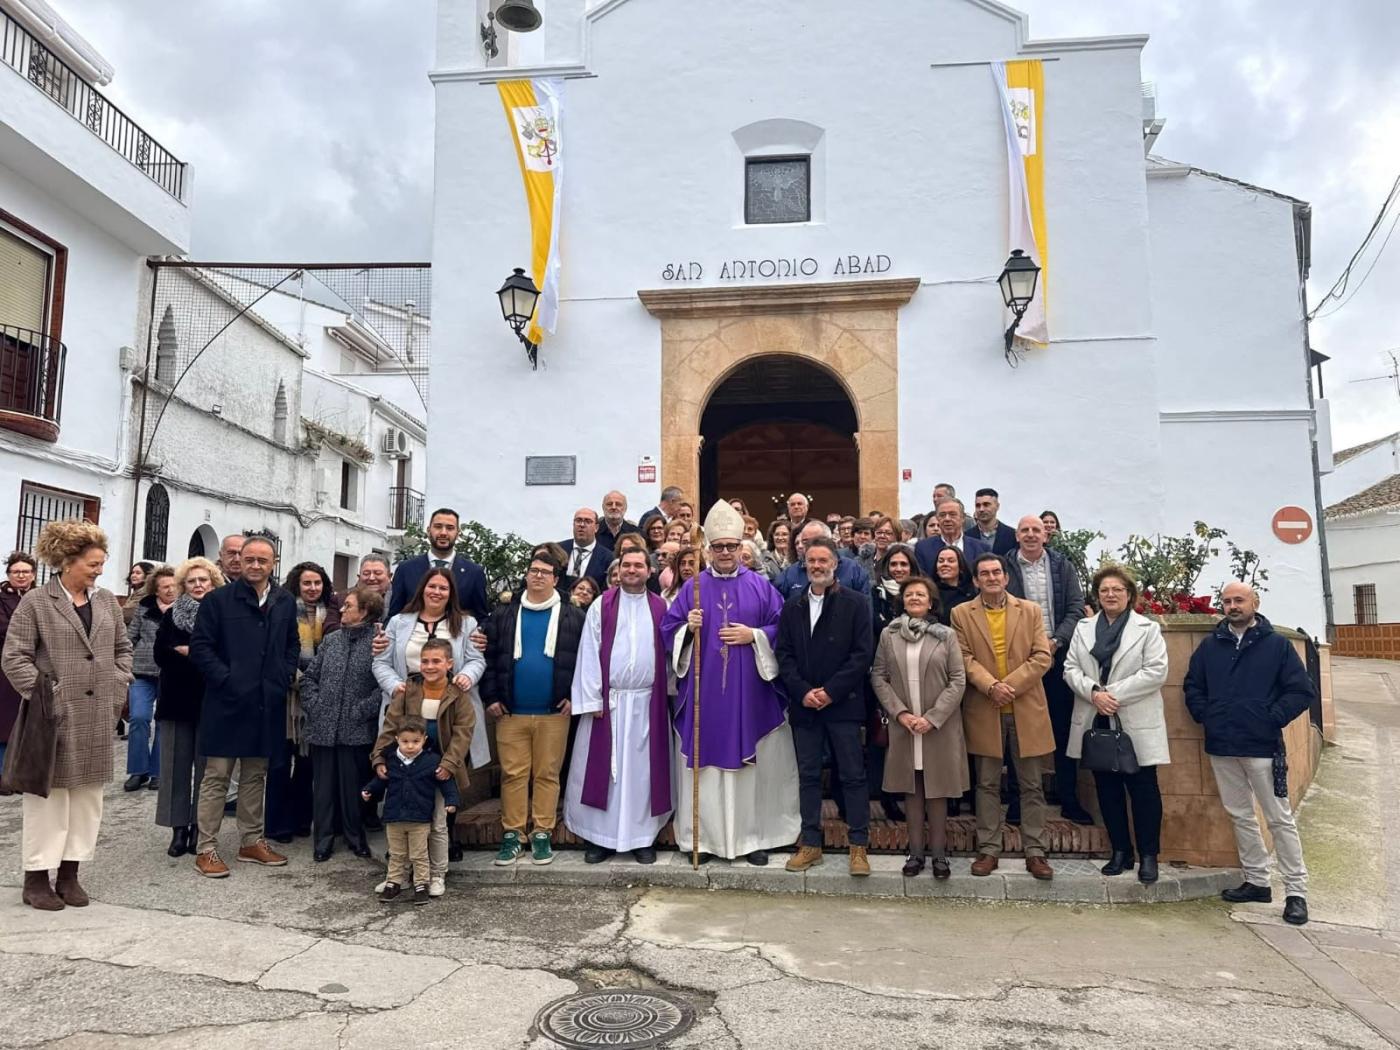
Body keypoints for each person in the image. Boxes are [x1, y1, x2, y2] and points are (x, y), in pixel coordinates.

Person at [2, 520, 133, 910]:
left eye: (101, 563)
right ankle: (37, 878)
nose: (99, 570)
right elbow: (14, 657)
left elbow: (123, 648)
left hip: (97, 715)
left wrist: (118, 682)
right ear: (67, 561)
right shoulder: (37, 602)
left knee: (88, 797)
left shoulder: (107, 600)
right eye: (93, 564)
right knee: (49, 798)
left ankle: (71, 874)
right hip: (53, 716)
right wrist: (48, 696)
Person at [661, 501, 797, 865]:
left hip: (748, 696)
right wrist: (685, 630)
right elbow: (668, 631)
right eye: (718, 547)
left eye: (731, 546)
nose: (725, 553)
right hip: (705, 697)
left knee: (751, 767)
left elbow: (782, 631)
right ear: (708, 550)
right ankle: (701, 840)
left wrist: (753, 635)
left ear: (742, 548)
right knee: (705, 768)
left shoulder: (762, 588)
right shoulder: (692, 588)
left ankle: (750, 840)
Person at [1185, 582, 1315, 926]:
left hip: (1262, 747)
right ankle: (1257, 880)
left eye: (1239, 600)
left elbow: (1301, 690)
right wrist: (1206, 714)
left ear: (1254, 602)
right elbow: (1193, 686)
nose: (1232, 605)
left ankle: (1296, 892)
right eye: (1226, 601)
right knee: (1240, 815)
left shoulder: (1277, 646)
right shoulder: (1210, 646)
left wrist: (1269, 718)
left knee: (1279, 818)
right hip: (1222, 746)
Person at [188, 535, 300, 878]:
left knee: (255, 776)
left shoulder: (283, 601)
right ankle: (206, 848)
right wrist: (228, 680)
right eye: (248, 559)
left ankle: (251, 841)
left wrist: (281, 677)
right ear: (238, 561)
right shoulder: (218, 601)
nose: (254, 565)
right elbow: (201, 648)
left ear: (273, 563)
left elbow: (291, 645)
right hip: (226, 703)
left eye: (261, 560)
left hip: (266, 704)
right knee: (217, 776)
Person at [374, 566, 489, 871]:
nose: (436, 592)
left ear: (451, 593)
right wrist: (394, 686)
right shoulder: (398, 622)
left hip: (448, 710)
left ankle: (446, 838)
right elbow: (381, 662)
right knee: (404, 776)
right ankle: (403, 845)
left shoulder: (466, 623)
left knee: (444, 773)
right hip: (408, 709)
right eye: (432, 587)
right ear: (422, 589)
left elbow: (477, 659)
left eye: (443, 588)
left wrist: (465, 676)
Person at [564, 548, 674, 864]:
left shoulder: (660, 606)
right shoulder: (603, 605)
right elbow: (589, 650)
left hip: (646, 704)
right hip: (608, 703)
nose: (632, 570)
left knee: (642, 775)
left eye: (639, 565)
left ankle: (642, 838)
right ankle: (601, 839)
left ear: (649, 571)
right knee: (604, 773)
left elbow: (669, 652)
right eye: (626, 565)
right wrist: (592, 698)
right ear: (618, 570)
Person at [952, 553, 1055, 881]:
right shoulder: (960, 614)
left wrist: (1006, 686)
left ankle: (1035, 851)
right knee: (986, 784)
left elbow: (1041, 656)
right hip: (985, 707)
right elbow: (963, 658)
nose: (992, 578)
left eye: (997, 572)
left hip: (1025, 709)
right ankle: (988, 848)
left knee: (1031, 785)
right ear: (976, 580)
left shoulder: (1031, 611)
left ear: (1006, 577)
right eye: (985, 573)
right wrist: (990, 686)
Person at [1063, 565, 1169, 882]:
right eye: (1105, 590)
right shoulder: (1083, 628)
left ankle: (1148, 856)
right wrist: (1094, 693)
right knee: (1107, 790)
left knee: (1144, 790)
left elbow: (1155, 672)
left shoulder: (1147, 629)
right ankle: (1120, 851)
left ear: (1129, 595)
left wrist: (1111, 694)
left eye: (1117, 590)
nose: (1110, 595)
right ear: (1097, 595)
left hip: (1133, 717)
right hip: (1096, 717)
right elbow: (1070, 669)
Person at [777, 537, 875, 876]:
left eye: (823, 561)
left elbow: (862, 654)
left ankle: (858, 847)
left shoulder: (856, 603)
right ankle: (810, 844)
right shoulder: (792, 605)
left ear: (836, 565)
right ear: (804, 565)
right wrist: (803, 691)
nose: (817, 566)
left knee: (852, 776)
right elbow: (784, 655)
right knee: (807, 776)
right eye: (811, 561)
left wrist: (830, 691)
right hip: (805, 705)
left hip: (842, 704)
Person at [482, 554, 585, 866]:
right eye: (534, 571)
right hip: (511, 711)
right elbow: (488, 657)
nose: (539, 576)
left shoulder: (572, 615)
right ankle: (513, 834)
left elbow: (584, 661)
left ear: (556, 579)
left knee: (547, 773)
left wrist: (574, 696)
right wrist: (490, 698)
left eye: (546, 572)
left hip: (554, 712)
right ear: (526, 576)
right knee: (513, 774)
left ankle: (542, 832)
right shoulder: (504, 612)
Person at [870, 576, 968, 879]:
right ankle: (915, 854)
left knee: (937, 790)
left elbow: (958, 679)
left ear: (930, 601)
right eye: (909, 594)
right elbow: (879, 677)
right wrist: (901, 714)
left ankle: (939, 856)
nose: (914, 598)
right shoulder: (890, 634)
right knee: (911, 789)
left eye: (920, 594)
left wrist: (933, 717)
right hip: (905, 726)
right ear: (903, 600)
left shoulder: (946, 635)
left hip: (938, 726)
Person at [373, 636, 478, 894]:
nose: (430, 666)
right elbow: (391, 727)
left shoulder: (457, 695)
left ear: (449, 663)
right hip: (407, 768)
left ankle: (437, 874)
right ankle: (402, 874)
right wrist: (379, 757)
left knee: (437, 824)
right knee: (403, 823)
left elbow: (463, 732)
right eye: (425, 661)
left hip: (439, 770)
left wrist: (450, 763)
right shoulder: (408, 691)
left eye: (436, 661)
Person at [1004, 516, 1089, 824]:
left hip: (1058, 657)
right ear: (1016, 535)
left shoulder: (1062, 566)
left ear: (1046, 535)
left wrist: (1056, 641)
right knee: (1018, 730)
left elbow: (1076, 607)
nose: (1030, 535)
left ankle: (1068, 798)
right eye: (1024, 530)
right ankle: (1018, 801)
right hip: (1019, 661)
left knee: (1063, 728)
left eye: (1036, 530)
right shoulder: (1005, 566)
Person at [301, 585, 384, 863]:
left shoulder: (378, 642)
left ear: (365, 611)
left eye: (348, 605)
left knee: (354, 789)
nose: (343, 610)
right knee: (322, 788)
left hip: (356, 728)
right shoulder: (331, 640)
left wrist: (361, 711)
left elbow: (382, 686)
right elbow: (309, 677)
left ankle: (355, 837)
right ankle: (322, 840)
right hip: (323, 727)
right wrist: (314, 704)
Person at [264, 561, 340, 845]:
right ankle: (277, 824)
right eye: (307, 583)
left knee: (308, 764)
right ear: (297, 584)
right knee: (280, 763)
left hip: (316, 698)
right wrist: (297, 678)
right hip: (286, 696)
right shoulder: (281, 609)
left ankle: (301, 819)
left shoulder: (331, 614)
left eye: (317, 583)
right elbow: (276, 649)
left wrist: (314, 684)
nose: (312, 588)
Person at [152, 556, 224, 858]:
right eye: (192, 581)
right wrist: (199, 655)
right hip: (175, 700)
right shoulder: (172, 615)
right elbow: (160, 654)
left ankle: (199, 828)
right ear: (184, 585)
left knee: (206, 772)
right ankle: (178, 829)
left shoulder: (223, 615)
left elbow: (225, 657)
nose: (197, 585)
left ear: (213, 583)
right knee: (173, 768)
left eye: (202, 580)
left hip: (210, 701)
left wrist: (191, 652)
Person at [362, 717, 460, 906]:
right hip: (395, 816)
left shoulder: (431, 761)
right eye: (405, 741)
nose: (410, 746)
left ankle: (422, 884)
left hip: (419, 818)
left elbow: (446, 783)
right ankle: (395, 881)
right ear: (397, 739)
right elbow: (381, 780)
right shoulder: (391, 760)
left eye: (415, 742)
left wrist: (452, 801)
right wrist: (369, 790)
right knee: (396, 853)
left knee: (419, 854)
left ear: (424, 739)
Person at [123, 565, 176, 792]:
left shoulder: (185, 609)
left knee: (164, 723)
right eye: (165, 587)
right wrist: (126, 662)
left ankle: (158, 772)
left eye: (174, 586)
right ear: (156, 589)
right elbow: (129, 638)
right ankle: (138, 771)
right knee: (139, 718)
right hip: (141, 672)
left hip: (172, 673)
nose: (171, 590)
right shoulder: (144, 608)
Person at [388, 508, 488, 619]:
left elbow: (482, 618)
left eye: (450, 528)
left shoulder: (474, 573)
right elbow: (394, 615)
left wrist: (480, 631)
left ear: (458, 533)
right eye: (438, 526)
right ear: (428, 530)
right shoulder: (405, 569)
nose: (443, 533)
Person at [0, 551, 37, 782]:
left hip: (36, 665)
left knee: (30, 723)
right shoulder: (1, 599)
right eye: (16, 572)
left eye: (25, 571)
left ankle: (24, 773)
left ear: (33, 575)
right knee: (4, 720)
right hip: (5, 666)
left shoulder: (41, 598)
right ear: (8, 574)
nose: (21, 576)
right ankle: (3, 773)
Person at [775, 521, 870, 600]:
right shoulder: (789, 575)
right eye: (805, 541)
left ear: (829, 540)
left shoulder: (853, 570)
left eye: (816, 541)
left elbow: (865, 612)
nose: (810, 546)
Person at [914, 498, 989, 576]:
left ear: (963, 518)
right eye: (942, 515)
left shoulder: (981, 549)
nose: (947, 519)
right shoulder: (923, 548)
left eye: (952, 514)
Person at [561, 507, 610, 587]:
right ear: (573, 524)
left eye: (588, 521)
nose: (582, 525)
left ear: (596, 528)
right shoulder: (558, 549)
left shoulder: (607, 558)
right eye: (578, 520)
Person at [932, 547, 977, 624]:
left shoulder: (973, 594)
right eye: (941, 561)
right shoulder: (930, 593)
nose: (945, 564)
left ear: (960, 566)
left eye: (951, 561)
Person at [969, 488, 1017, 556]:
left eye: (986, 505)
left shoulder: (1012, 535)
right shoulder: (967, 536)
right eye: (978, 505)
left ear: (997, 506)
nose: (981, 509)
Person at [122, 561, 155, 626]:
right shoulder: (136, 592)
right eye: (132, 573)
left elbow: (128, 615)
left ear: (147, 575)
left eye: (138, 573)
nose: (134, 575)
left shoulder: (146, 593)